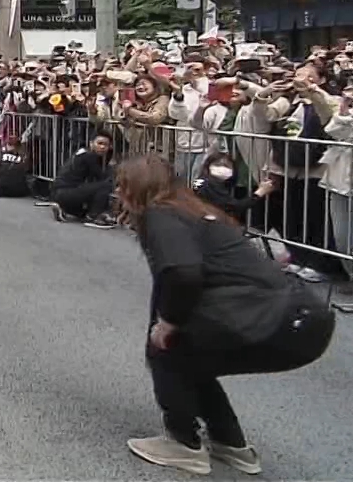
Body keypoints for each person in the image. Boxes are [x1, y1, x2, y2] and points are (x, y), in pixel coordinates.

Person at [117, 155, 335, 476]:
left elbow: (183, 273)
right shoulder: (195, 211)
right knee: (194, 358)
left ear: (135, 189)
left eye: (121, 186)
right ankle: (231, 444)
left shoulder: (161, 214)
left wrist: (168, 323)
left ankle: (183, 443)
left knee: (167, 350)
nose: (118, 193)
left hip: (276, 317)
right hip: (305, 319)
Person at [52, 130, 118, 229]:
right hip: (67, 192)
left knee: (84, 210)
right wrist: (112, 165)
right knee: (105, 186)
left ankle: (63, 208)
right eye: (100, 143)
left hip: (60, 192)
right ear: (91, 143)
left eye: (106, 145)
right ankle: (94, 216)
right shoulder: (90, 156)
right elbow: (102, 177)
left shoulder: (82, 152)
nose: (103, 147)